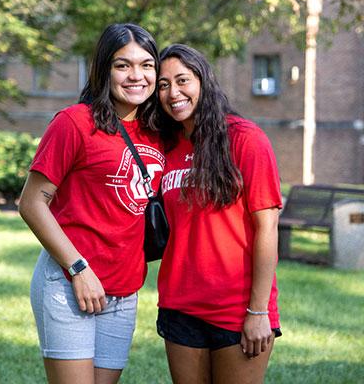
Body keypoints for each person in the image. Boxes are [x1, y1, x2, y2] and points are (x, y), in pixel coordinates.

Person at [18, 23, 164, 384]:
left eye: (147, 65)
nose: (137, 76)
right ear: (103, 69)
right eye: (123, 65)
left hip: (124, 291)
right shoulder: (74, 123)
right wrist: (78, 269)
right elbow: (32, 202)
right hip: (70, 282)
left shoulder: (158, 131)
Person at [155, 44, 283, 384]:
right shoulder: (165, 146)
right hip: (179, 304)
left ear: (203, 81)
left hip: (237, 307)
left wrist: (258, 312)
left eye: (182, 80)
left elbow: (268, 227)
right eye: (163, 85)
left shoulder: (244, 139)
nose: (173, 92)